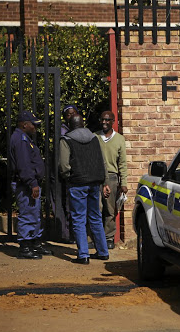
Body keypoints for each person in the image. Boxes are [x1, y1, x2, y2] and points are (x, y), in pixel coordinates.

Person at [59, 115, 110, 264]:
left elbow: (64, 165)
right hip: (95, 182)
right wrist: (104, 180)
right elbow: (102, 161)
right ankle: (103, 251)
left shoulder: (66, 140)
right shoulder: (94, 138)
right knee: (95, 217)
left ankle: (83, 255)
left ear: (69, 125)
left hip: (77, 183)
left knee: (78, 219)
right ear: (83, 124)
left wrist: (69, 176)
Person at [9, 110, 52, 259]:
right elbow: (24, 165)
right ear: (24, 125)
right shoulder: (20, 139)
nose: (35, 127)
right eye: (33, 125)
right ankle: (25, 247)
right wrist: (32, 183)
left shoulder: (25, 138)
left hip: (30, 184)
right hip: (26, 185)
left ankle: (35, 243)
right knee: (27, 214)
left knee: (35, 214)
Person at [95, 111, 128, 249]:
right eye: (102, 119)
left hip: (112, 177)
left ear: (113, 121)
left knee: (110, 209)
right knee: (96, 208)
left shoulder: (119, 139)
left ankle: (109, 238)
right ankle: (95, 238)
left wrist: (124, 183)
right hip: (96, 177)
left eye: (107, 120)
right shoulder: (94, 137)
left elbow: (123, 163)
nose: (104, 122)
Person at [50, 105, 79, 243]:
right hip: (61, 174)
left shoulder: (79, 132)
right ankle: (65, 234)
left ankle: (71, 233)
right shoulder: (62, 132)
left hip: (73, 174)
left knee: (71, 204)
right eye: (68, 114)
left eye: (73, 114)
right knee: (62, 203)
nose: (71, 116)